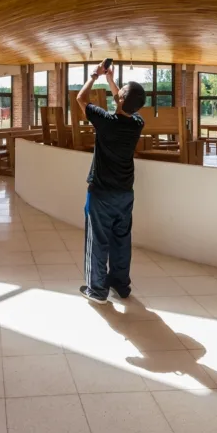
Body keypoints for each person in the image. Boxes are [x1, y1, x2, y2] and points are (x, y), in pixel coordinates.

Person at [75, 61, 146, 304]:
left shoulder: (105, 121)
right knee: (121, 239)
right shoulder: (137, 123)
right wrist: (111, 80)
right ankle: (120, 284)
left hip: (102, 193)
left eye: (120, 91)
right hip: (125, 193)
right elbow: (123, 102)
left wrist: (95, 75)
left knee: (98, 241)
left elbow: (81, 98)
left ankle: (96, 290)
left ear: (121, 99)